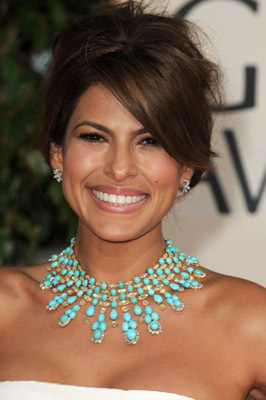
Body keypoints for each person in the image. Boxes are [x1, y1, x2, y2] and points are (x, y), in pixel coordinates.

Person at [0, 1, 265, 399]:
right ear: (57, 152)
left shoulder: (249, 322)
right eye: (94, 137)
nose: (120, 168)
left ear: (187, 166)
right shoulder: (5, 307)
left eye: (150, 141)